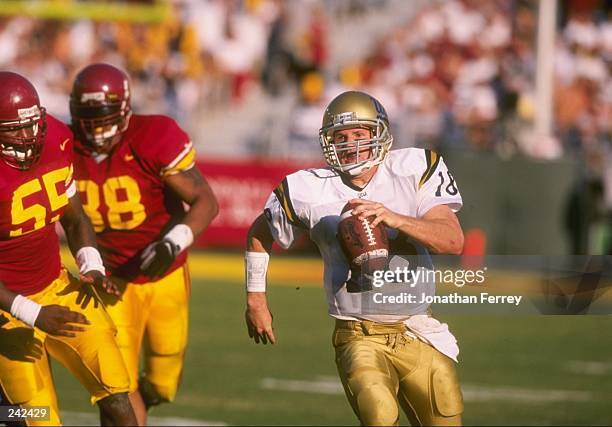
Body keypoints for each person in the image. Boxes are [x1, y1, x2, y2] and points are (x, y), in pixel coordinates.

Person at [245, 91, 465, 426]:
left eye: (360, 135)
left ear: (380, 134)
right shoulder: (309, 189)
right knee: (380, 415)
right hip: (358, 333)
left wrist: (394, 218)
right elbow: (260, 233)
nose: (351, 144)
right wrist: (256, 299)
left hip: (418, 328)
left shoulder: (413, 169)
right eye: (341, 137)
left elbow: (453, 240)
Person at [69, 63, 219, 425]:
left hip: (164, 274)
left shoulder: (154, 134)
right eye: (88, 117)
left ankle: (143, 401)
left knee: (164, 384)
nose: (96, 127)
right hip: (111, 280)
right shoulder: (64, 145)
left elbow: (205, 201)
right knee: (115, 387)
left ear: (124, 108)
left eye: (103, 116)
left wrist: (172, 242)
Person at [0, 71, 137, 426]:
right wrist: (32, 313)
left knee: (118, 394)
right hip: (5, 307)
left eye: (33, 123)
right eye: (16, 128)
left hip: (57, 287)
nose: (29, 136)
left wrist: (92, 266)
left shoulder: (58, 139)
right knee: (34, 416)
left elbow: (75, 219)